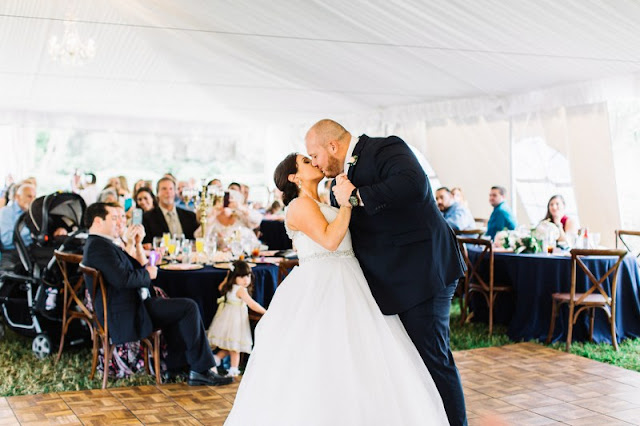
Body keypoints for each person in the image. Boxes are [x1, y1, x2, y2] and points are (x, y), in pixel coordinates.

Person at [225, 152, 451, 424]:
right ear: (293, 177)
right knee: (325, 355)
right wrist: (347, 204)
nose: (314, 162)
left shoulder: (323, 200)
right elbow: (330, 240)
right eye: (306, 162)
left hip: (351, 279)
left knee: (365, 356)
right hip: (323, 283)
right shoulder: (298, 205)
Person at [307, 119, 466, 425]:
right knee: (404, 364)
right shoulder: (335, 184)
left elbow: (413, 185)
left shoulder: (384, 148)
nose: (314, 162)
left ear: (333, 146)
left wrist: (354, 197)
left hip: (422, 273)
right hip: (388, 285)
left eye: (314, 155)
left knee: (433, 360)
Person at [82, 202, 232, 386]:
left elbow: (129, 269)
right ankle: (201, 370)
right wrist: (149, 274)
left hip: (130, 305)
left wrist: (136, 246)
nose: (120, 223)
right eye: (114, 218)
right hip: (126, 313)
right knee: (188, 307)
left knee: (179, 305)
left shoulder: (101, 244)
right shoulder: (99, 247)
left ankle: (180, 366)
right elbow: (123, 280)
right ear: (98, 221)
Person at [207, 260, 266, 377]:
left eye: (248, 276)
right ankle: (233, 370)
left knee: (231, 346)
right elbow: (252, 304)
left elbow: (220, 287)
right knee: (235, 348)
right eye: (242, 276)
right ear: (234, 277)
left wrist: (227, 278)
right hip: (235, 323)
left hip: (225, 320)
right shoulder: (240, 290)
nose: (246, 280)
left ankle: (217, 358)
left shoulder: (229, 287)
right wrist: (265, 312)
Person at [142, 177, 198, 243]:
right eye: (164, 189)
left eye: (171, 189)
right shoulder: (147, 218)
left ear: (175, 192)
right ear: (157, 193)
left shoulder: (190, 216)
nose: (168, 192)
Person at [0, 183, 37, 269]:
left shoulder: (33, 213)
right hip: (11, 253)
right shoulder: (6, 212)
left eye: (34, 197)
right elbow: (7, 240)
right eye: (29, 196)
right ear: (18, 197)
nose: (32, 200)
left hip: (30, 251)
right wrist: (30, 234)